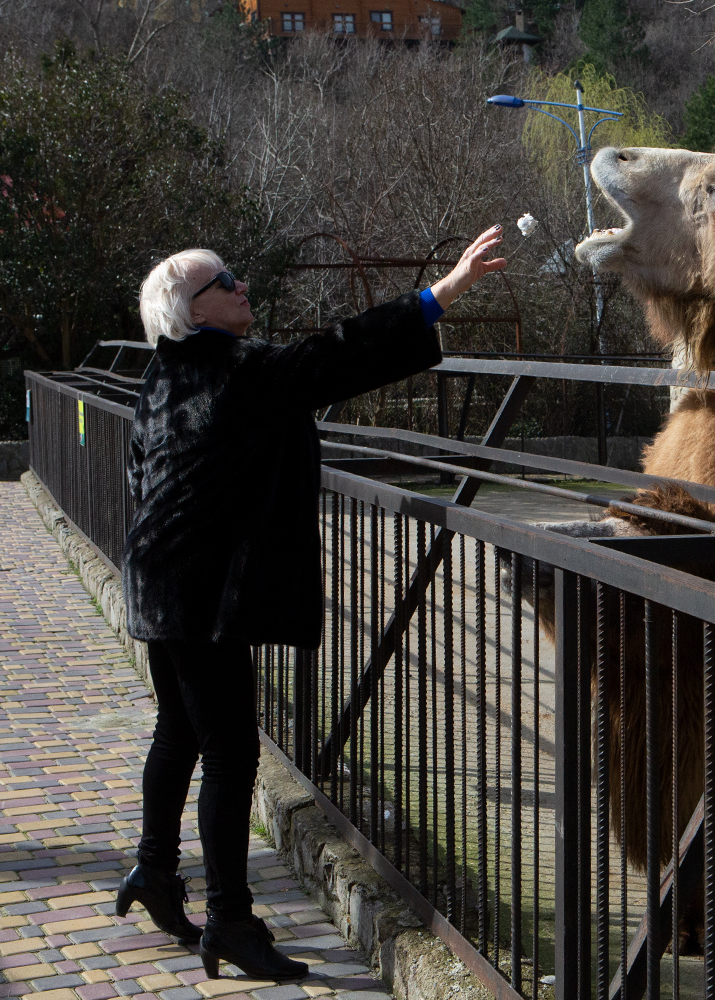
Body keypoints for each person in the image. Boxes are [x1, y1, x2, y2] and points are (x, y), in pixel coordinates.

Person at [117, 226, 506, 981]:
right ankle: (230, 920)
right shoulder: (236, 369)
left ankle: (155, 873)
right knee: (231, 753)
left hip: (155, 581)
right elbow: (338, 354)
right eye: (224, 280)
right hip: (196, 594)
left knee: (178, 732)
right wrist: (443, 292)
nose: (242, 284)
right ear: (194, 310)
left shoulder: (165, 374)